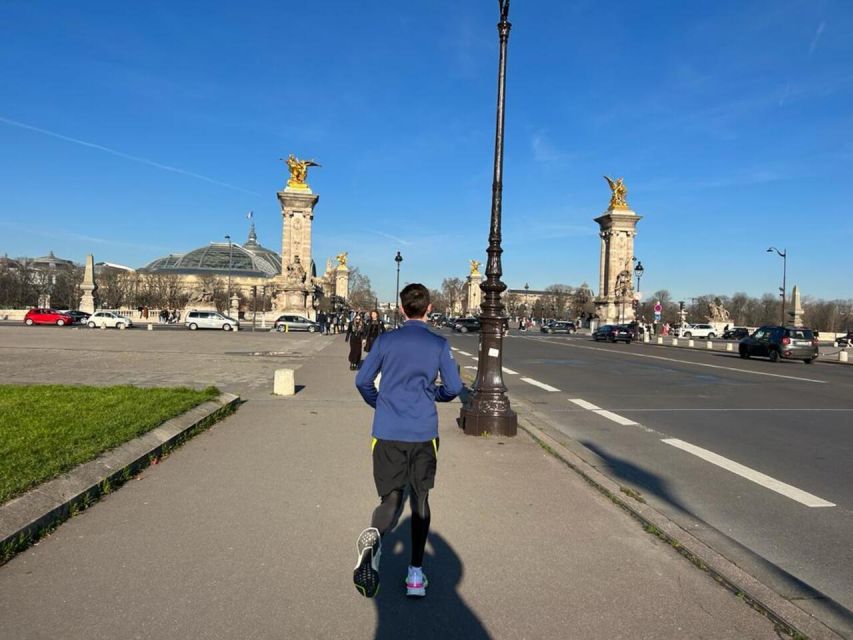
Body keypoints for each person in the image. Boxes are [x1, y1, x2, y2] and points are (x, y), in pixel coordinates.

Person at [352, 283, 463, 599]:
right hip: (423, 433)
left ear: (401, 309)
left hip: (387, 431)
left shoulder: (386, 340)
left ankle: (374, 539)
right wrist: (435, 395)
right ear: (428, 308)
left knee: (390, 499)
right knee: (420, 500)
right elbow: (453, 387)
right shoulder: (439, 344)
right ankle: (415, 575)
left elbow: (362, 380)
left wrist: (379, 402)